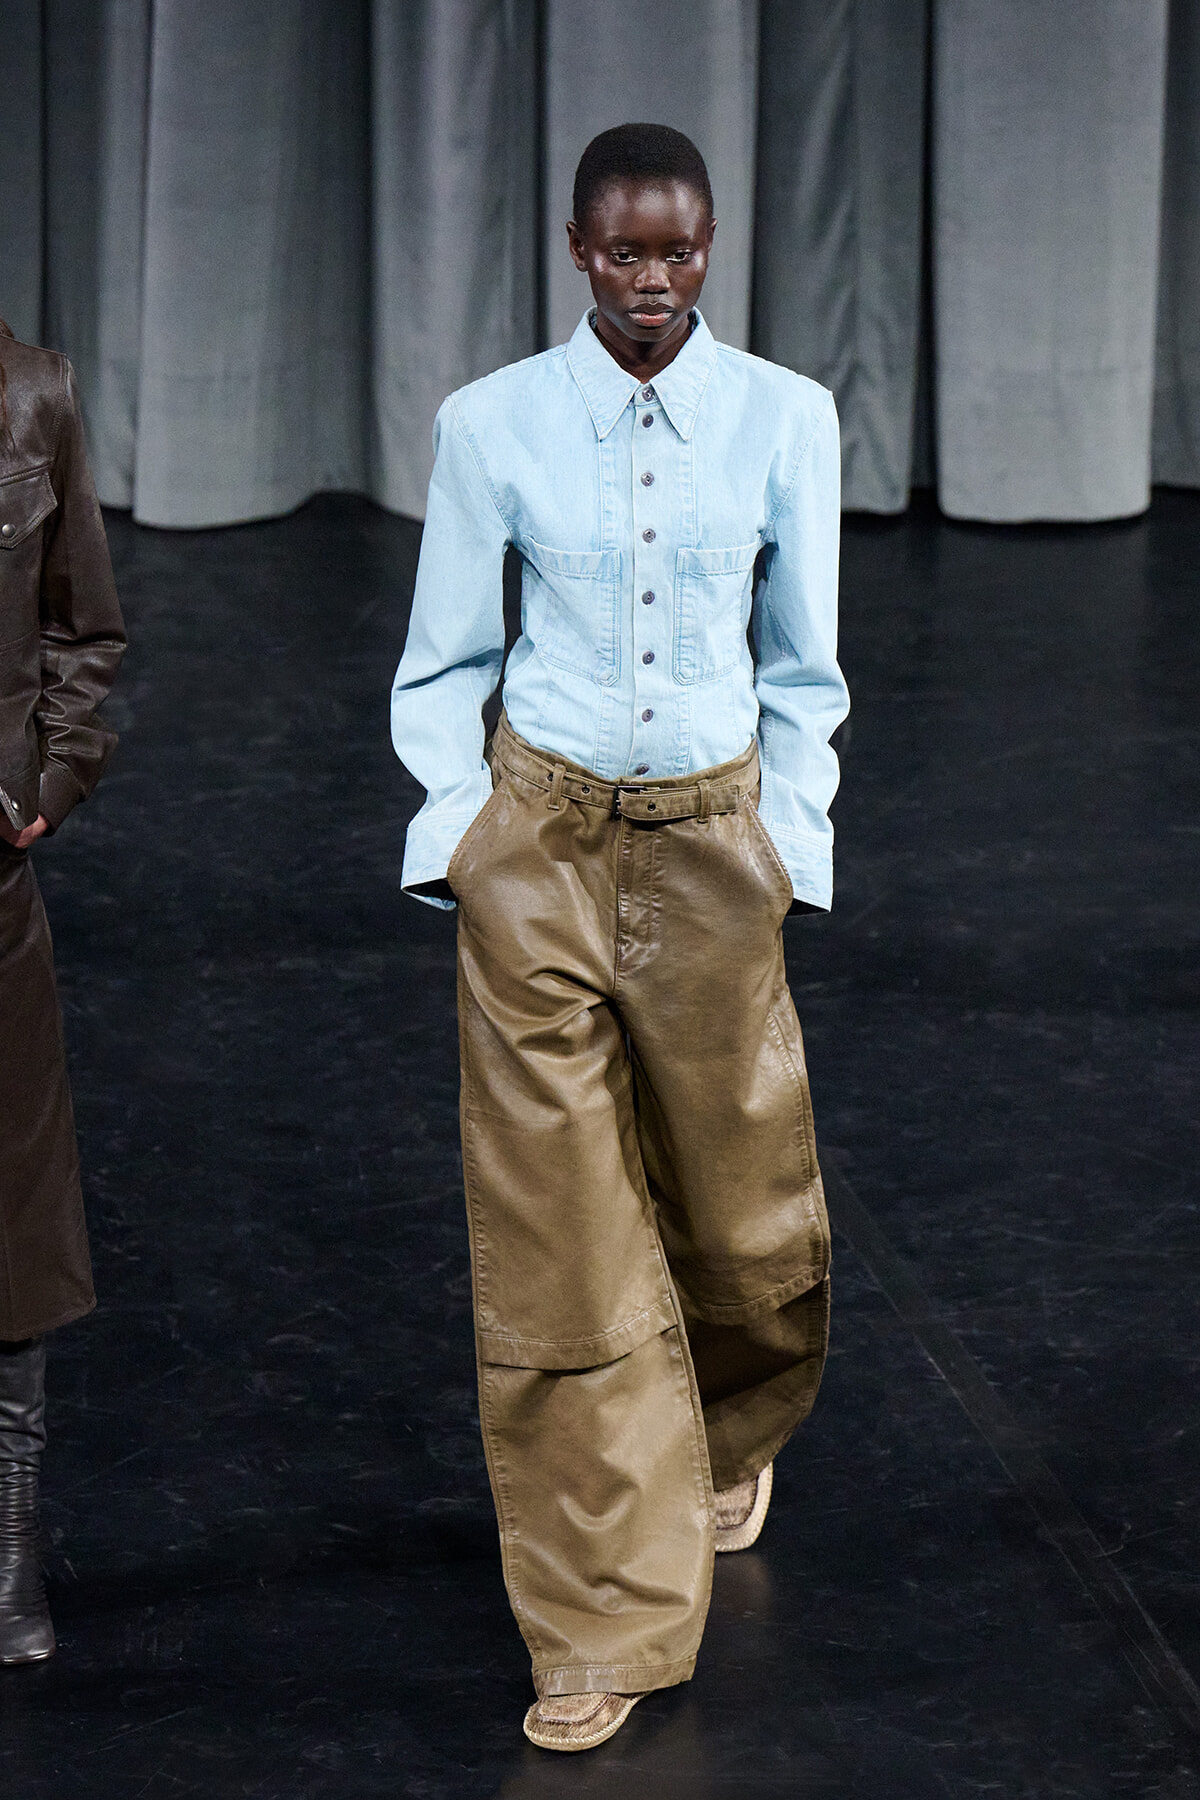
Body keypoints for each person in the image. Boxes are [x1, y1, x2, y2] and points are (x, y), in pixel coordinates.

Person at [391, 122, 847, 1753]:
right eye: (627, 252)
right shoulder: (491, 422)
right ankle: (599, 1623)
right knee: (562, 1243)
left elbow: (806, 665)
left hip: (717, 849)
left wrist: (788, 845)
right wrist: (464, 836)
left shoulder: (786, 417)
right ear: (578, 251)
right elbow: (445, 653)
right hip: (543, 846)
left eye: (683, 250)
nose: (656, 279)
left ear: (712, 249)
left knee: (743, 1215)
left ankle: (730, 1425)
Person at [0, 318, 126, 1663]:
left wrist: (46, 783)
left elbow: (83, 625)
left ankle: (9, 1566)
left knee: (14, 1217)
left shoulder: (31, 394)